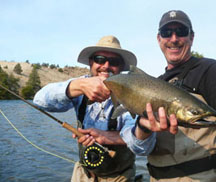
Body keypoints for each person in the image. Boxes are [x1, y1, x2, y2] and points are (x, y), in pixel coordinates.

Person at [127, 10, 216, 182]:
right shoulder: (155, 85)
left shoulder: (209, 69)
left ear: (192, 37)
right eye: (167, 33)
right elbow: (140, 145)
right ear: (159, 39)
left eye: (181, 32)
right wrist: (144, 126)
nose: (174, 39)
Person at [33, 35, 138, 182]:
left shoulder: (132, 93)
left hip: (120, 176)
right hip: (83, 174)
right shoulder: (79, 84)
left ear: (120, 67)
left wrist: (106, 136)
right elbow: (39, 101)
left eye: (114, 61)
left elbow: (139, 138)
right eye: (100, 59)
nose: (106, 66)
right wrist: (78, 86)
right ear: (91, 62)